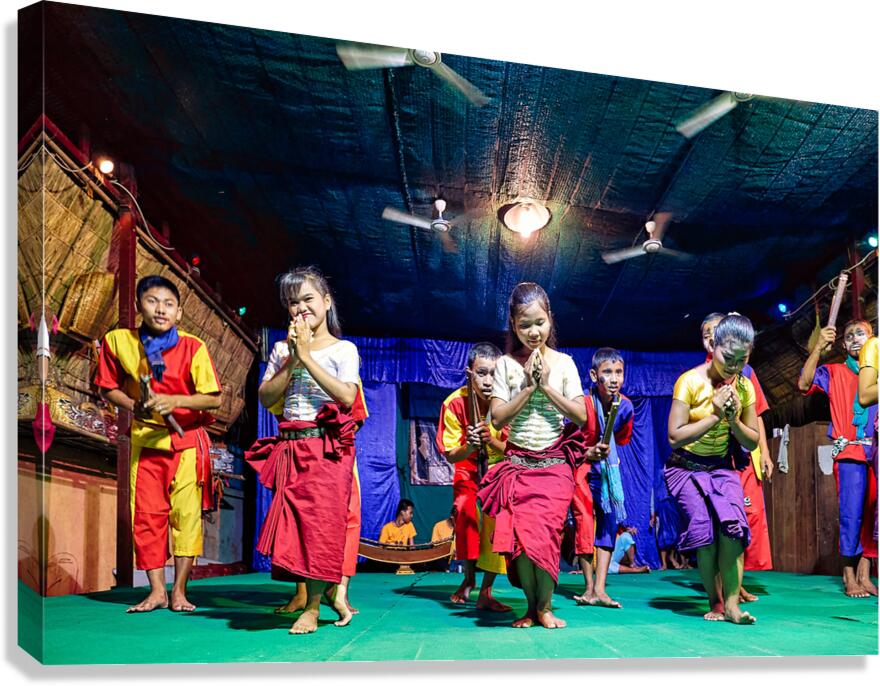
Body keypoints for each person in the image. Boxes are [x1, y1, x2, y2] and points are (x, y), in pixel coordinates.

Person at [94, 275, 222, 613]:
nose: (160, 309)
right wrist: (133, 404)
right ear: (139, 306)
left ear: (179, 312)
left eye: (168, 304)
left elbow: (212, 400)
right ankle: (156, 592)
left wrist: (175, 400)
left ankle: (179, 591)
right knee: (148, 517)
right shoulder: (118, 342)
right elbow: (107, 387)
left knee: (186, 517)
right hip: (147, 441)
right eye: (152, 301)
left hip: (187, 443)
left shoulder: (194, 347)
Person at [245, 266, 361, 634]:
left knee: (321, 528)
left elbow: (346, 396)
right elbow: (265, 397)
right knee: (294, 528)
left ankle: (311, 608)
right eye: (293, 303)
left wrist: (308, 356)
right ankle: (309, 595)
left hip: (326, 448)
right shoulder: (281, 349)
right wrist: (294, 356)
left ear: (326, 302)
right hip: (290, 447)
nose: (301, 308)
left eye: (308, 299)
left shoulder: (344, 349)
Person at [477, 282, 587, 629]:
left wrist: (547, 386)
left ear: (550, 320)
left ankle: (546, 606)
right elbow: (497, 417)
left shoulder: (565, 363)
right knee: (521, 542)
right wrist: (528, 387)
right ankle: (529, 607)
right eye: (524, 325)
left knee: (548, 535)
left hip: (554, 466)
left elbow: (581, 416)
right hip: (517, 467)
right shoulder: (506, 365)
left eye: (539, 322)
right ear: (513, 324)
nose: (533, 331)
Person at [667, 313, 760, 624]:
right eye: (727, 357)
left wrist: (734, 420)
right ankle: (715, 602)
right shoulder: (690, 381)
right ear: (713, 346)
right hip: (685, 468)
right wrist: (716, 415)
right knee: (704, 534)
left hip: (720, 468)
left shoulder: (745, 388)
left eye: (741, 359)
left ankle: (733, 605)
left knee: (733, 529)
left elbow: (752, 442)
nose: (733, 366)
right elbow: (673, 437)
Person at [273, 383, 368, 617]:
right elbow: (278, 408)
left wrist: (328, 440)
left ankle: (339, 589)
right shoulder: (289, 361)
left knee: (347, 519)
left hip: (334, 452)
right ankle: (302, 592)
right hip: (298, 448)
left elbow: (356, 417)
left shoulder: (342, 360)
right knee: (298, 519)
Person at [799, 319, 877, 597]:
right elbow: (803, 383)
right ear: (843, 344)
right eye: (849, 336)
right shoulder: (833, 372)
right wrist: (818, 347)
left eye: (861, 334)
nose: (855, 339)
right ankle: (848, 575)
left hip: (876, 451)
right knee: (851, 514)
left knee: (874, 514)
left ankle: (865, 573)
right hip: (849, 450)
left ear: (872, 340)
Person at [702, 313, 773, 603]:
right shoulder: (699, 376)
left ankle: (737, 585)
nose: (710, 336)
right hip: (714, 462)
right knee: (718, 523)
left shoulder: (746, 374)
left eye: (715, 330)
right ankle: (722, 591)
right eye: (705, 333)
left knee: (744, 520)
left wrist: (764, 452)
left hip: (743, 456)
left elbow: (755, 416)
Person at [436, 342, 511, 612]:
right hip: (467, 468)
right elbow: (450, 454)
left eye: (494, 374)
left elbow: (511, 448)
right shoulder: (454, 402)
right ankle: (468, 579)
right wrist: (470, 445)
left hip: (497, 469)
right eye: (482, 373)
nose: (489, 381)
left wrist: (490, 439)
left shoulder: (505, 402)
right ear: (469, 373)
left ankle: (487, 591)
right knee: (466, 510)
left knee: (498, 519)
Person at [572, 347, 635, 608]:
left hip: (607, 470)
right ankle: (588, 588)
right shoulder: (582, 404)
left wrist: (604, 454)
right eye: (607, 372)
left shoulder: (626, 407)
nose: (613, 378)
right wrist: (588, 452)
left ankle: (600, 589)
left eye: (618, 372)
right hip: (581, 468)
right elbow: (565, 443)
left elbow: (621, 438)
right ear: (593, 375)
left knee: (609, 524)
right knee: (585, 523)